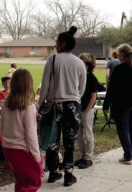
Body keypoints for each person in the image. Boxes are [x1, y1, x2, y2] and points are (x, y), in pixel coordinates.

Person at [38, 26, 86, 186]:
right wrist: (74, 99)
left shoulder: (52, 60)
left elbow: (44, 86)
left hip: (53, 105)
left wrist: (40, 105)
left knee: (53, 139)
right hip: (72, 105)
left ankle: (53, 172)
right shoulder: (79, 63)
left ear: (63, 43)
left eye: (57, 42)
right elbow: (82, 89)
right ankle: (68, 173)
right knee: (70, 140)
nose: (55, 45)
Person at [0, 68, 43, 192]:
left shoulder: (6, 105)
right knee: (31, 182)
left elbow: (2, 127)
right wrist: (36, 155)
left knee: (20, 179)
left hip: (9, 147)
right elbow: (31, 134)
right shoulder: (28, 106)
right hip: (22, 149)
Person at [75, 53, 101, 169]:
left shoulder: (91, 78)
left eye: (83, 63)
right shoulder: (79, 76)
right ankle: (83, 155)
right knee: (79, 134)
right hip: (78, 108)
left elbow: (93, 96)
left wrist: (87, 109)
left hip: (86, 110)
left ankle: (88, 157)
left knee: (87, 133)